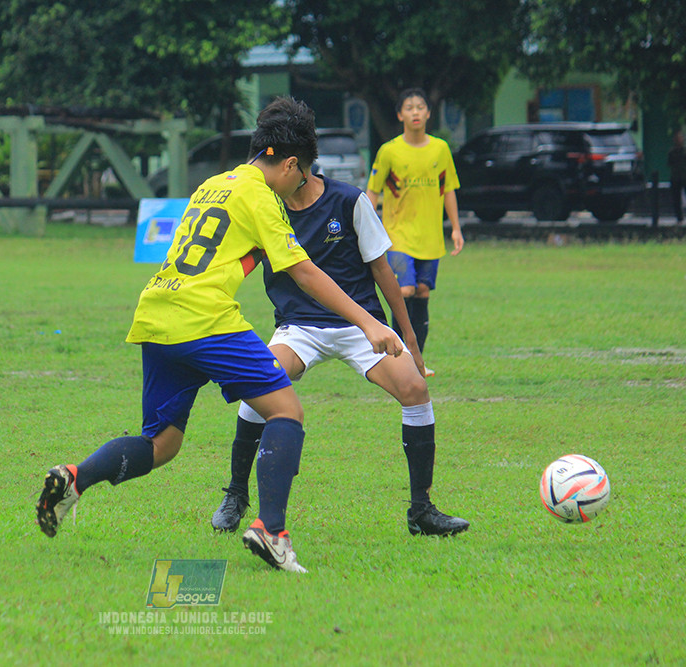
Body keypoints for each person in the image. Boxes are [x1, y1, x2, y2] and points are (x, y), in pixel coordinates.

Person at [36, 97, 403, 573]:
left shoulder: (211, 186)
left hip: (157, 311)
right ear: (289, 164)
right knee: (286, 410)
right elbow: (305, 273)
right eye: (301, 176)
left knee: (162, 443)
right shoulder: (263, 197)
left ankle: (75, 478)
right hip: (204, 318)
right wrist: (371, 323)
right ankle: (272, 531)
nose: (300, 186)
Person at [210, 165, 470, 537]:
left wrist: (410, 341)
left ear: (296, 165)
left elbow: (382, 270)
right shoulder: (265, 204)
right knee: (260, 383)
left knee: (415, 389)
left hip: (360, 324)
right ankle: (235, 495)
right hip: (298, 326)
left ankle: (422, 510)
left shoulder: (350, 201)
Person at [366, 88, 464, 375]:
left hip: (430, 237)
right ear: (400, 115)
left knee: (422, 292)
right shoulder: (389, 151)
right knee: (405, 289)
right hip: (397, 235)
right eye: (409, 108)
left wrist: (456, 228)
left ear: (428, 113)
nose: (416, 112)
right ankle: (402, 358)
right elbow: (372, 192)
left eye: (420, 107)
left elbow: (448, 191)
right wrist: (364, 224)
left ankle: (417, 361)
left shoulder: (441, 149)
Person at [667, 130, 685, 224]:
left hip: (684, 176)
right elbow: (669, 163)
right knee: (676, 199)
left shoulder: (684, 151)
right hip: (675, 177)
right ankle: (679, 218)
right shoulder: (672, 152)